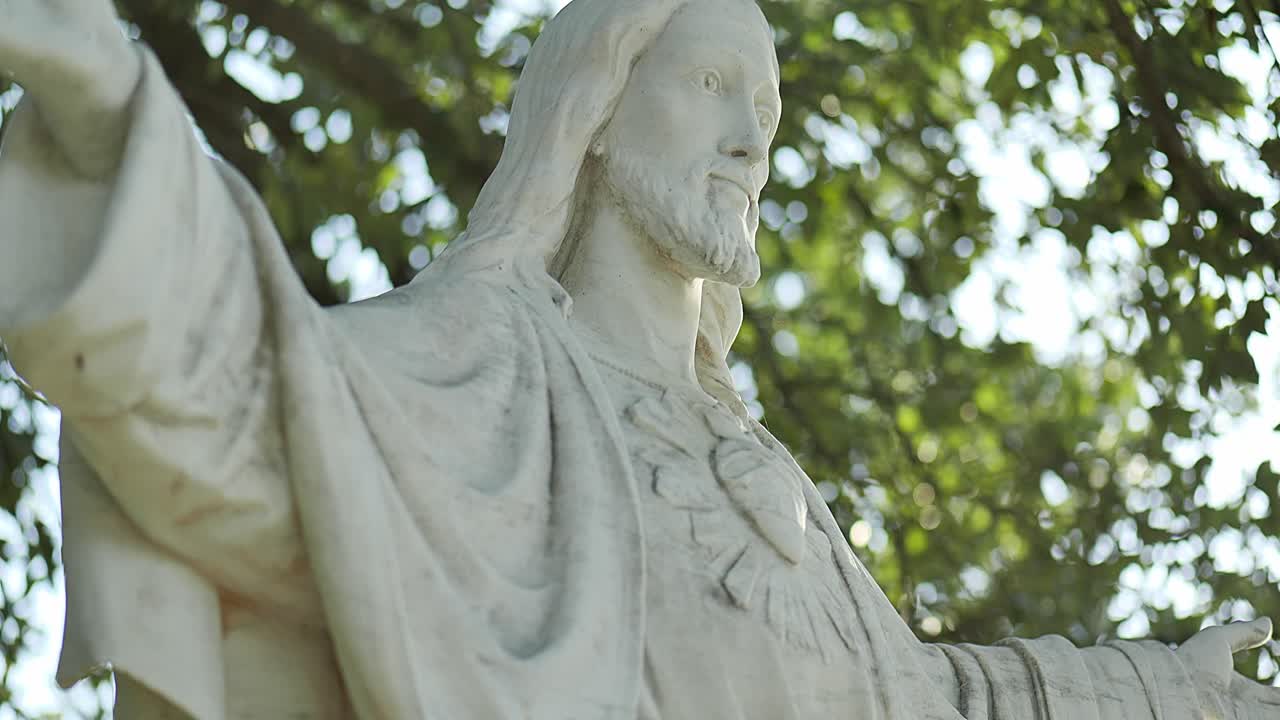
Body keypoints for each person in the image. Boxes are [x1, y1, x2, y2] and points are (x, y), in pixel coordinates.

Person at [1, 0, 1278, 718]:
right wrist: (117, 124)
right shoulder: (480, 373)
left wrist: (1153, 688)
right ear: (595, 116)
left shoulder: (758, 465)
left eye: (766, 114)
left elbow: (918, 698)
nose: (749, 142)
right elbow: (258, 404)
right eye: (716, 86)